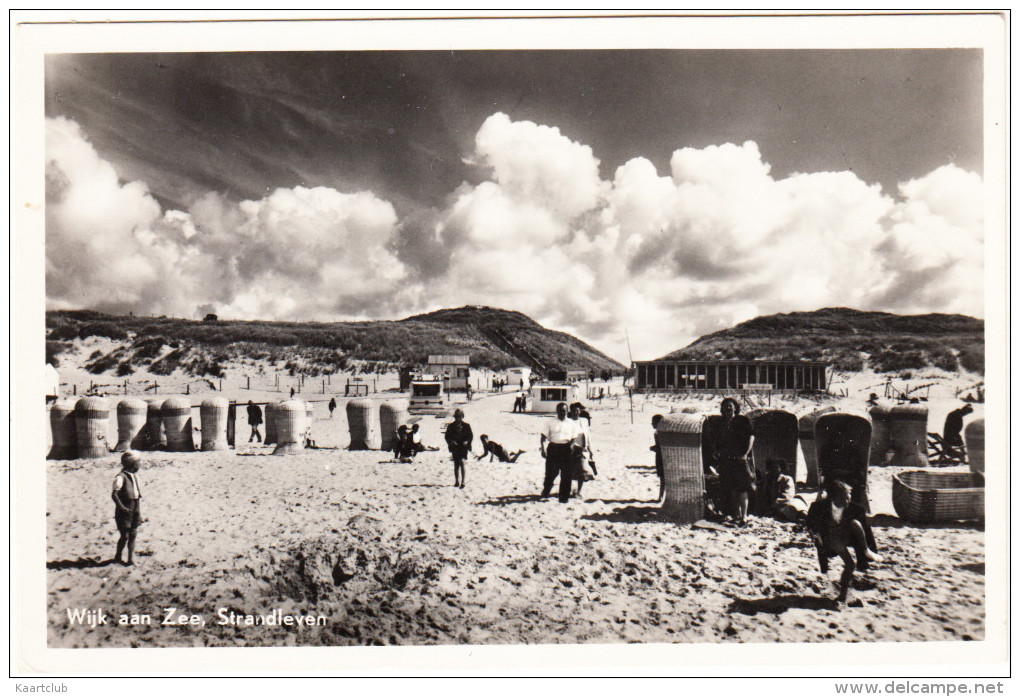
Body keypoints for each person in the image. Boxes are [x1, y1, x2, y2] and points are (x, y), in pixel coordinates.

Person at [805, 479, 879, 603]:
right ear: (833, 498)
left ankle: (866, 552)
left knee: (856, 524)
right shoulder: (818, 507)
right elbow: (810, 524)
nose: (848, 501)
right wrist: (816, 535)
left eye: (849, 497)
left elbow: (866, 530)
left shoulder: (856, 508)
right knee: (850, 564)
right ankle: (843, 594)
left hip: (846, 536)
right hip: (829, 539)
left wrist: (866, 555)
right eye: (845, 498)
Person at [713, 397, 755, 524]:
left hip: (740, 458)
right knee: (731, 488)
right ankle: (737, 515)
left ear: (735, 407)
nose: (728, 408)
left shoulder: (742, 420)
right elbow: (717, 441)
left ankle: (744, 515)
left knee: (742, 487)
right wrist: (717, 451)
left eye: (730, 406)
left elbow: (751, 436)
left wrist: (746, 453)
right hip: (726, 459)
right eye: (725, 406)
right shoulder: (720, 423)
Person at [539, 402, 580, 503]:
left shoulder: (571, 423)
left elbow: (574, 438)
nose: (563, 413)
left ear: (567, 411)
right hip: (553, 448)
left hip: (566, 449)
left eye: (565, 411)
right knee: (551, 473)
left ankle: (563, 497)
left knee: (566, 475)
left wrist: (570, 447)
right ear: (557, 411)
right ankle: (546, 491)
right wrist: (543, 449)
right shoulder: (549, 422)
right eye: (561, 411)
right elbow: (543, 437)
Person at [112, 451, 143, 566]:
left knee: (133, 534)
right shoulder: (120, 477)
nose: (139, 464)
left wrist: (138, 512)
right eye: (138, 462)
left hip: (135, 507)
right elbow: (114, 495)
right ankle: (118, 556)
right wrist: (122, 507)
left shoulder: (135, 477)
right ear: (132, 464)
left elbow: (136, 495)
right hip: (124, 509)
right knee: (124, 535)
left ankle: (131, 559)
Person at [568, 402, 595, 498]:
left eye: (578, 410)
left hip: (583, 449)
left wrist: (590, 448)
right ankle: (572, 490)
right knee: (569, 471)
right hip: (571, 449)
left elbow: (588, 435)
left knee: (583, 471)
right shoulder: (567, 421)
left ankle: (578, 491)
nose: (576, 412)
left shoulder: (584, 421)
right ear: (570, 411)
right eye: (574, 411)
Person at [444, 409, 473, 488]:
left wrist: (467, 442)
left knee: (462, 462)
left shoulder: (466, 426)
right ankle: (457, 481)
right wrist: (451, 442)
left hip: (463, 447)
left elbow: (470, 436)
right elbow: (447, 436)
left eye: (459, 417)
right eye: (456, 417)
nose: (458, 418)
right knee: (456, 464)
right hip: (455, 447)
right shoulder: (451, 426)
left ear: (462, 417)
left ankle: (463, 482)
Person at [651, 414, 665, 502]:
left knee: (663, 478)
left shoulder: (660, 434)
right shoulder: (659, 433)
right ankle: (661, 496)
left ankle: (661, 497)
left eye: (653, 422)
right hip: (660, 457)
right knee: (662, 478)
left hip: (662, 458)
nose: (652, 424)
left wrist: (654, 448)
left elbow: (661, 447)